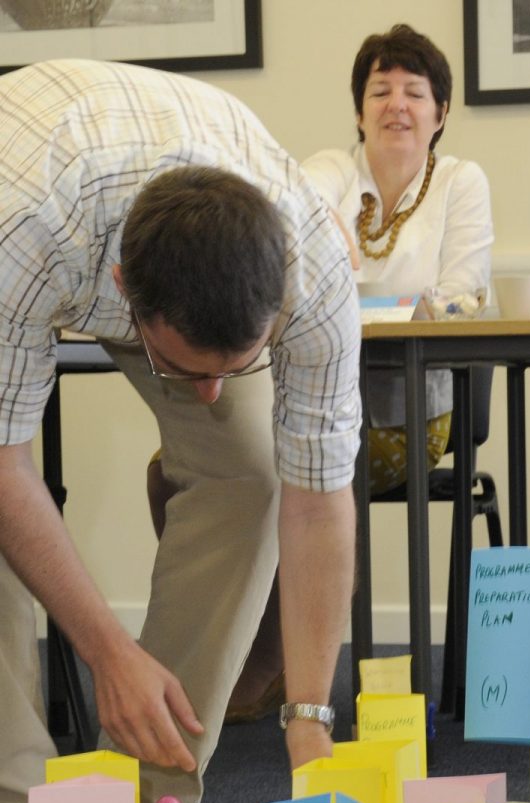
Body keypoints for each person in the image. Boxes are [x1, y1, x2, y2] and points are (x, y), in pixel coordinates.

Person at [0, 59, 361, 803]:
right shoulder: (27, 230)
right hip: (38, 191)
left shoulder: (312, 269)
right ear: (125, 297)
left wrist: (308, 719)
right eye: (186, 370)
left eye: (231, 368)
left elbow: (319, 495)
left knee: (252, 472)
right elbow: (4, 467)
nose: (208, 392)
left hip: (151, 204)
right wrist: (109, 654)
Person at [149, 23, 494, 721]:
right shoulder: (333, 169)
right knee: (176, 470)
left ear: (440, 113)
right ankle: (252, 650)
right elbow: (289, 213)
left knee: (313, 476)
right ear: (360, 108)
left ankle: (284, 663)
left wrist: (359, 297)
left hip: (411, 418)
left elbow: (464, 293)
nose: (397, 104)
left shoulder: (460, 181)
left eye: (414, 92)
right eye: (380, 90)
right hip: (305, 403)